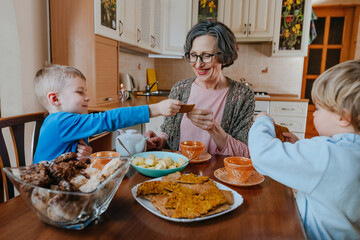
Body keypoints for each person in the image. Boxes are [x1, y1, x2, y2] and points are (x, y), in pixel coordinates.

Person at [248, 59, 360, 239]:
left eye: (318, 108)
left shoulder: (326, 154)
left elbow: (262, 155)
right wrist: (299, 147)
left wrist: (262, 120)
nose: (314, 113)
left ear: (343, 117)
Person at [145, 20, 255, 157]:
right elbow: (169, 134)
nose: (198, 64)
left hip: (218, 175)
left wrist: (214, 129)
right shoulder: (180, 89)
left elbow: (245, 154)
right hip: (179, 174)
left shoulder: (242, 96)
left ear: (224, 57)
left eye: (206, 55)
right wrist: (159, 141)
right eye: (193, 55)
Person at [33, 64, 181, 163]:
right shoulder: (59, 122)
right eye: (79, 92)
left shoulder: (69, 122)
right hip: (46, 195)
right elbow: (108, 119)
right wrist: (156, 109)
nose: (87, 97)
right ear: (55, 98)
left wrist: (87, 156)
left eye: (86, 92)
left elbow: (73, 160)